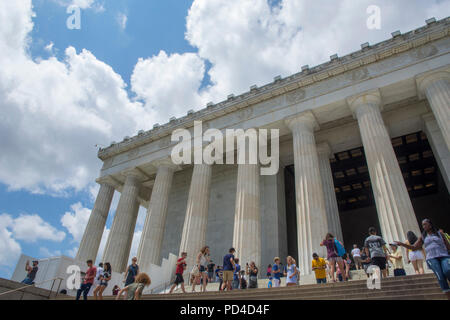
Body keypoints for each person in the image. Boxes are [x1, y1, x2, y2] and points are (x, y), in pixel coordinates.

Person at [396, 219, 450, 297]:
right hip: (432, 258)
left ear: (430, 224)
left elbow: (447, 245)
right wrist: (402, 244)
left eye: (425, 224)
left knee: (448, 270)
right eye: (423, 225)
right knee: (440, 276)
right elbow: (414, 247)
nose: (424, 226)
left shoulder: (440, 234)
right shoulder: (423, 236)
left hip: (444, 255)